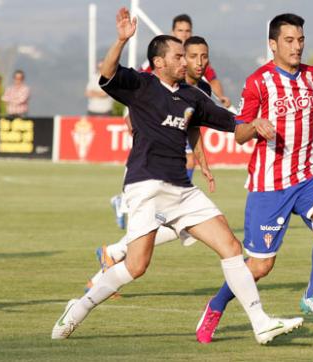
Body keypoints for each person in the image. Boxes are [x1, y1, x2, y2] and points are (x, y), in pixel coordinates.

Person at [52, 8, 303, 344]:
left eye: (187, 56)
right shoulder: (140, 85)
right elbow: (106, 74)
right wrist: (122, 40)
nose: (185, 61)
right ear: (159, 62)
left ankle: (261, 324)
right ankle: (79, 307)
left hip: (183, 189)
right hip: (147, 185)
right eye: (178, 56)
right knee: (137, 266)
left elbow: (231, 123)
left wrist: (253, 125)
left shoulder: (192, 96)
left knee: (231, 246)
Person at [195, 13, 313, 344]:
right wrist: (255, 126)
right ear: (273, 44)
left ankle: (312, 294)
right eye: (289, 41)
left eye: (301, 40)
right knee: (260, 267)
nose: (297, 47)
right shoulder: (258, 82)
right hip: (269, 185)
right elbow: (239, 134)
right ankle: (216, 306)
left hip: (308, 176)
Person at [84, 36, 220, 297]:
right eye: (190, 56)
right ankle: (110, 260)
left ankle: (110, 257)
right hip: (148, 170)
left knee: (177, 228)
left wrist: (202, 160)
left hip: (175, 175)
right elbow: (130, 116)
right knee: (176, 229)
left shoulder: (201, 90)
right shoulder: (153, 83)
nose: (197, 62)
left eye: (203, 56)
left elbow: (194, 128)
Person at [140, 14, 231, 108]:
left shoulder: (198, 61)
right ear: (173, 32)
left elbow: (212, 80)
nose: (184, 34)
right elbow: (140, 81)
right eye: (180, 30)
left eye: (187, 31)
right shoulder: (160, 56)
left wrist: (220, 97)